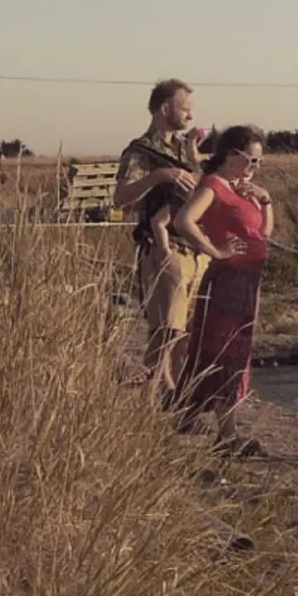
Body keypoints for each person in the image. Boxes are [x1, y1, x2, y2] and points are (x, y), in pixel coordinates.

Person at [172, 126, 273, 454]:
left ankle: (190, 414)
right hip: (228, 279)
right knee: (226, 353)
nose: (255, 167)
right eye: (251, 160)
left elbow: (263, 233)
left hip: (247, 280)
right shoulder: (214, 185)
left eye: (259, 162)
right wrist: (215, 251)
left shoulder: (238, 188)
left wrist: (264, 199)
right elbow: (184, 221)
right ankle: (226, 433)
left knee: (232, 351)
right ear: (231, 155)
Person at [115, 80, 205, 399]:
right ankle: (153, 401)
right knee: (166, 332)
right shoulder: (140, 152)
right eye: (185, 109)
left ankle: (178, 402)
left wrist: (195, 158)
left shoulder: (184, 148)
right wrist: (158, 176)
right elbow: (121, 199)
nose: (190, 116)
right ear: (165, 109)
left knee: (188, 336)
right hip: (164, 249)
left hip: (196, 248)